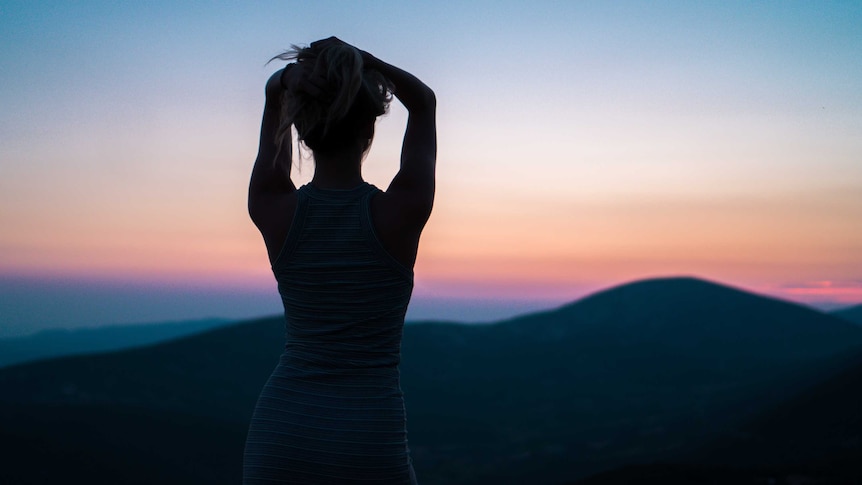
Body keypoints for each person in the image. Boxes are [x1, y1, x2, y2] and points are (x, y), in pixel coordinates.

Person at [242, 37, 436, 484]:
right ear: (369, 128)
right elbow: (423, 103)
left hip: (281, 431)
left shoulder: (274, 208)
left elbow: (274, 104)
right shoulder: (398, 213)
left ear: (300, 130)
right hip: (368, 436)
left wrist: (283, 84)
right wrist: (368, 62)